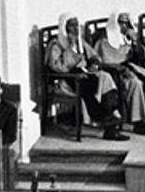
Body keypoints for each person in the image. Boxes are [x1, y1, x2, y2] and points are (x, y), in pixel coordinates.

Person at [47, 13, 129, 141]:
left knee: (106, 77)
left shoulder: (81, 42)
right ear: (64, 28)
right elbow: (58, 67)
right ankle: (106, 119)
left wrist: (94, 65)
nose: (75, 29)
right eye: (71, 26)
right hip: (68, 79)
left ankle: (111, 117)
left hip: (85, 73)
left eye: (76, 25)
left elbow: (94, 55)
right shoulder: (56, 45)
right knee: (87, 84)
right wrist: (70, 48)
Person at [89, 11, 145, 131]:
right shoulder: (104, 40)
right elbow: (103, 59)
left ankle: (138, 122)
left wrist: (135, 41)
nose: (125, 27)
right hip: (111, 72)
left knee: (137, 83)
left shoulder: (127, 40)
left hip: (126, 69)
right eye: (122, 23)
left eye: (127, 23)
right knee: (132, 83)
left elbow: (140, 55)